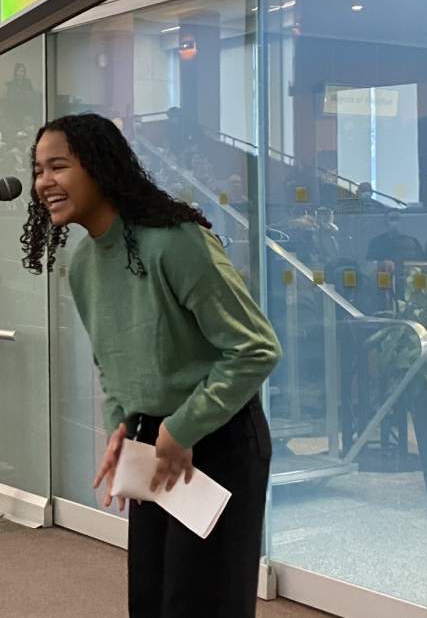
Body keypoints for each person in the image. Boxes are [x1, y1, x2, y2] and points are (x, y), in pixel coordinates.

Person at [22, 113, 280, 617]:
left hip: (218, 438)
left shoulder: (175, 241)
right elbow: (113, 364)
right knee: (151, 599)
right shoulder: (83, 264)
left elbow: (255, 348)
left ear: (100, 167)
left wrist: (181, 429)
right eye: (38, 170)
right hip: (152, 441)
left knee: (202, 603)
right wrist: (119, 427)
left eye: (58, 166)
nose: (44, 182)